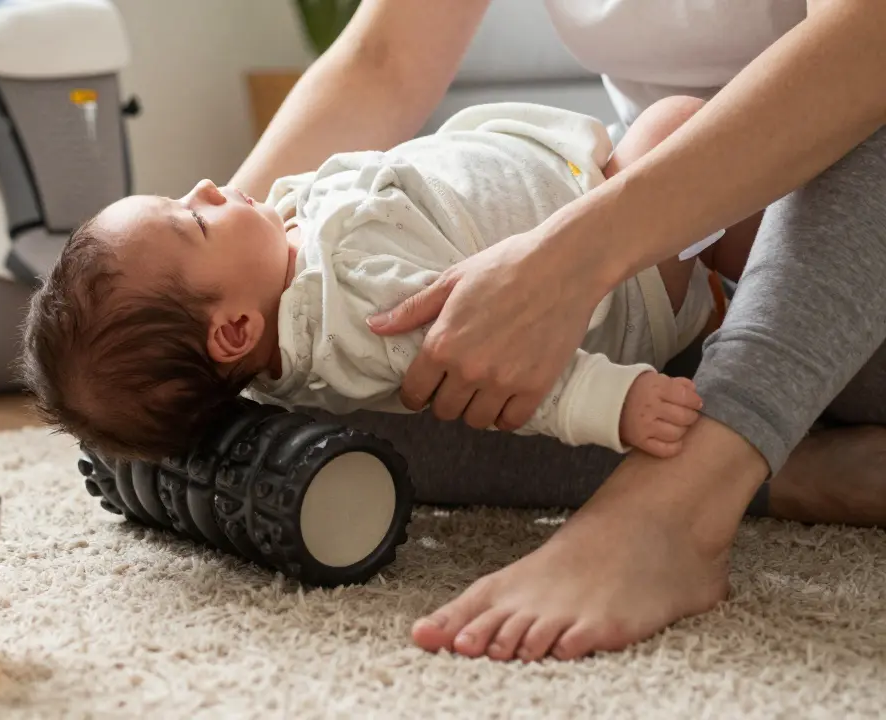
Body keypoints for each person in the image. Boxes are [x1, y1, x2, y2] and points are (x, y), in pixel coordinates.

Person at [229, 0, 886, 663]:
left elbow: (870, 39)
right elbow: (382, 62)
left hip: (849, 254)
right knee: (333, 371)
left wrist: (567, 261)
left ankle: (686, 497)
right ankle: (789, 465)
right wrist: (169, 325)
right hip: (671, 281)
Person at [20, 99, 741, 466]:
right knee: (682, 128)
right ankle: (749, 283)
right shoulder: (357, 320)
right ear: (235, 329)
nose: (210, 187)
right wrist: (609, 403)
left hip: (577, 184)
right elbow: (492, 355)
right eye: (195, 222)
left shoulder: (281, 250)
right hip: (622, 269)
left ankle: (719, 305)